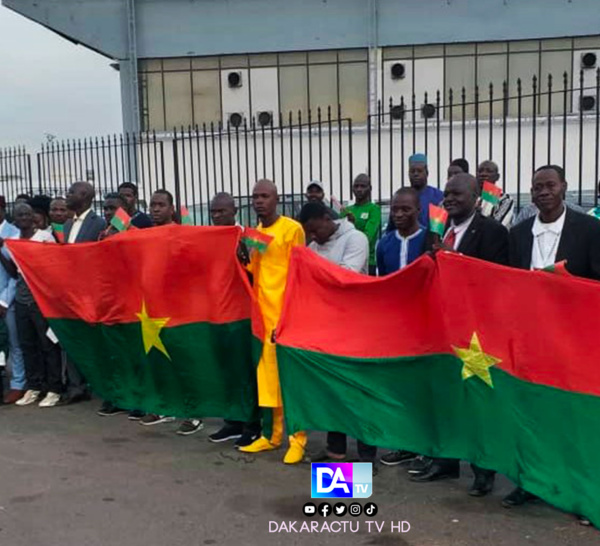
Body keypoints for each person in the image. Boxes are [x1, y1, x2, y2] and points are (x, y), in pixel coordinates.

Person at [507, 165, 600, 518]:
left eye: (549, 185)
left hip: (572, 340)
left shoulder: (590, 230)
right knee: (530, 412)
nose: (543, 191)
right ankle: (529, 483)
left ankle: (578, 490)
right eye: (536, 187)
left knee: (571, 415)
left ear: (564, 187)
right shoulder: (517, 234)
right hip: (530, 340)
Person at [410, 173, 508, 497]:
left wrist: (454, 261)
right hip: (443, 330)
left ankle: (483, 471)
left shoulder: (492, 232)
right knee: (446, 396)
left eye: (457, 194)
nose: (449, 199)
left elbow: (496, 279)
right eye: (447, 194)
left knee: (478, 402)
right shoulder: (438, 232)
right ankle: (445, 460)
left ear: (476, 197)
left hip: (477, 333)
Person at [298, 201, 376, 464]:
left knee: (359, 394)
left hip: (356, 328)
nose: (312, 236)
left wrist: (313, 272)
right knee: (333, 393)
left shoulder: (356, 239)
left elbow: (346, 278)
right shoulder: (312, 247)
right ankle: (336, 452)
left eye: (313, 229)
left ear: (326, 218)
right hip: (327, 330)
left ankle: (366, 458)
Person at [238, 179, 307, 464]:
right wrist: (241, 255)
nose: (259, 201)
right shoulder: (255, 233)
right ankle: (271, 436)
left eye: (264, 196)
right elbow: (254, 269)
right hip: (262, 319)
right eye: (255, 197)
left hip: (286, 317)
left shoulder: (292, 229)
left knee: (290, 381)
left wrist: (290, 317)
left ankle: (297, 440)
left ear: (276, 199)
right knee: (267, 380)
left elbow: (300, 273)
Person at [139, 189, 203, 436]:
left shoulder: (182, 235)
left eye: (161, 205)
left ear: (171, 208)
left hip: (180, 309)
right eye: (153, 205)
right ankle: (165, 406)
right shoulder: (145, 236)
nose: (155, 209)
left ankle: (194, 413)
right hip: (153, 308)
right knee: (160, 359)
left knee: (185, 361)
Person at [206, 192, 261, 448]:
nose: (217, 216)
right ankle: (232, 421)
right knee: (226, 370)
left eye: (221, 212)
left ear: (234, 210)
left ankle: (252, 425)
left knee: (246, 372)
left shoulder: (252, 236)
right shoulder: (206, 239)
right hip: (217, 315)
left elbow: (268, 265)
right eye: (213, 212)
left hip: (244, 316)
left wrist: (246, 258)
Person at [0, 204, 61, 408]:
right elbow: (12, 270)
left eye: (27, 214)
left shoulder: (44, 237)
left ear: (33, 217)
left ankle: (54, 388)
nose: (24, 218)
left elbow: (53, 266)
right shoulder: (13, 241)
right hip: (21, 296)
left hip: (41, 297)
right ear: (15, 219)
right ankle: (34, 386)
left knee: (47, 344)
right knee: (27, 344)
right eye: (20, 215)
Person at [62, 182, 106, 404]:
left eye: (72, 192)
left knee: (91, 341)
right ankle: (75, 386)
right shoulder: (68, 224)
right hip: (70, 292)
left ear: (86, 196)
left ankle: (93, 384)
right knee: (71, 338)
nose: (67, 195)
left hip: (89, 293)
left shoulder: (97, 223)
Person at [0, 197, 26, 404]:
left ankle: (18, 383)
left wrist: (3, 301)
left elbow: (16, 272)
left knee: (15, 342)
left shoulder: (14, 233)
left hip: (8, 297)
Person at [376, 188, 432, 276]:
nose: (399, 214)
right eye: (394, 210)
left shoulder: (429, 240)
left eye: (406, 210)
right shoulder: (384, 244)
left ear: (418, 210)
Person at [341, 174, 381, 275]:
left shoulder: (374, 210)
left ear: (370, 188)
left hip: (367, 262)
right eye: (356, 186)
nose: (359, 189)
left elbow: (367, 237)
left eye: (363, 186)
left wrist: (352, 225)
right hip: (346, 262)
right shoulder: (346, 210)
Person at [476, 160, 514, 227]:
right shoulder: (470, 197)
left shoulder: (505, 199)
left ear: (497, 177)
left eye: (489, 171)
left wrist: (478, 215)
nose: (483, 174)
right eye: (480, 171)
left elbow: (498, 226)